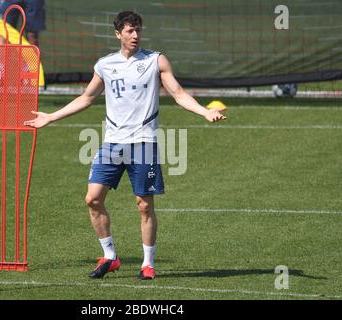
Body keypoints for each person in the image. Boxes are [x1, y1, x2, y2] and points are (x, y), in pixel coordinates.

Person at [24, 11, 226, 280]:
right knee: (93, 199)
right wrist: (50, 116)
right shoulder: (105, 65)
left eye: (138, 30)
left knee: (144, 204)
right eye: (130, 31)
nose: (135, 35)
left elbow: (177, 93)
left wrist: (203, 112)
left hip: (144, 142)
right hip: (112, 144)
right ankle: (110, 256)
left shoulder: (155, 60)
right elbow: (86, 98)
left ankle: (148, 263)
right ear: (118, 33)